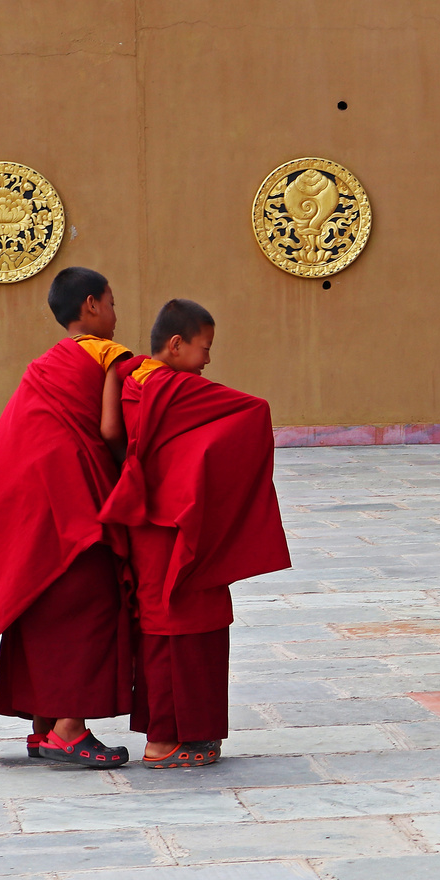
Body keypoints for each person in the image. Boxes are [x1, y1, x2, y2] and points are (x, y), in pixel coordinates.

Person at [0, 267, 134, 767]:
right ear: (90, 305)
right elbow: (110, 429)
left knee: (41, 606)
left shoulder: (43, 365)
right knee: (90, 606)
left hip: (42, 508)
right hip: (78, 504)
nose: (114, 313)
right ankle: (69, 729)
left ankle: (43, 727)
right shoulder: (107, 356)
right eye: (111, 302)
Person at [99, 299, 291, 767]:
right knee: (178, 627)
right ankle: (163, 742)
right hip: (174, 527)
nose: (207, 360)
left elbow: (115, 434)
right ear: (176, 344)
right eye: (204, 348)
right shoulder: (173, 387)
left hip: (149, 521)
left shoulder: (134, 380)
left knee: (169, 624)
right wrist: (204, 476)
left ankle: (181, 734)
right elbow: (253, 411)